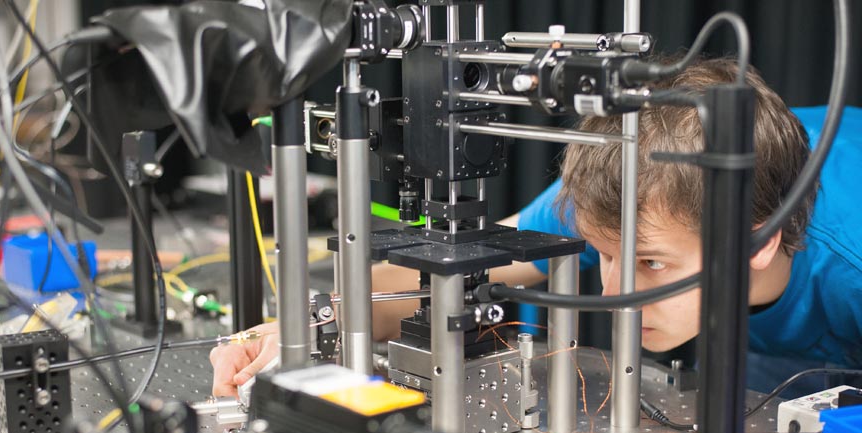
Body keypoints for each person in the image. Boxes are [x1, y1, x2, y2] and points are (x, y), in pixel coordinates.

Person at [210, 57, 862, 398]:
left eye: (651, 264)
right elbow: (463, 267)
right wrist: (310, 325)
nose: (614, 293)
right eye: (603, 254)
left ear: (759, 239)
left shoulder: (849, 256)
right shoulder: (633, 184)